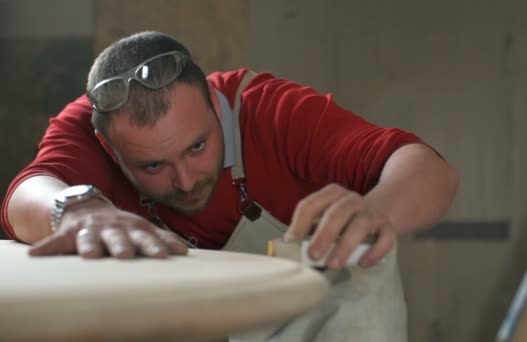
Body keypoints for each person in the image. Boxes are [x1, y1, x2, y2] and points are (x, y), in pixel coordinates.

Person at [1, 31, 458, 341]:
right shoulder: (87, 127)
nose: (184, 181)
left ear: (217, 108)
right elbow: (26, 195)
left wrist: (376, 210)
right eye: (152, 165)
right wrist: (77, 209)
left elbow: (428, 170)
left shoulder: (268, 109)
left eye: (198, 146)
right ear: (110, 146)